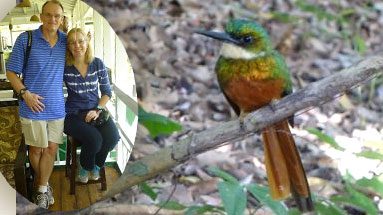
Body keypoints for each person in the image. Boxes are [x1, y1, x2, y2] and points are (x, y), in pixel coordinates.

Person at [6, 0, 66, 209]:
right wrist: (25, 94)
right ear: (41, 16)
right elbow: (11, 72)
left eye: (57, 16)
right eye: (48, 15)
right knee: (37, 150)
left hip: (57, 107)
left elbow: (83, 57)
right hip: (32, 107)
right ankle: (43, 187)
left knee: (51, 149)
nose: (53, 20)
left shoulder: (66, 41)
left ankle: (41, 187)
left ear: (62, 18)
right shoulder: (26, 39)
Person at [63, 28, 120, 184]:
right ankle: (85, 166)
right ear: (68, 46)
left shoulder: (97, 63)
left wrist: (97, 109)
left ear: (87, 42)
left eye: (80, 41)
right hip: (72, 114)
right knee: (94, 139)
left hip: (96, 111)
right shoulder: (64, 66)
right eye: (72, 42)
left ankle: (96, 165)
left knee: (113, 138)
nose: (77, 46)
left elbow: (107, 92)